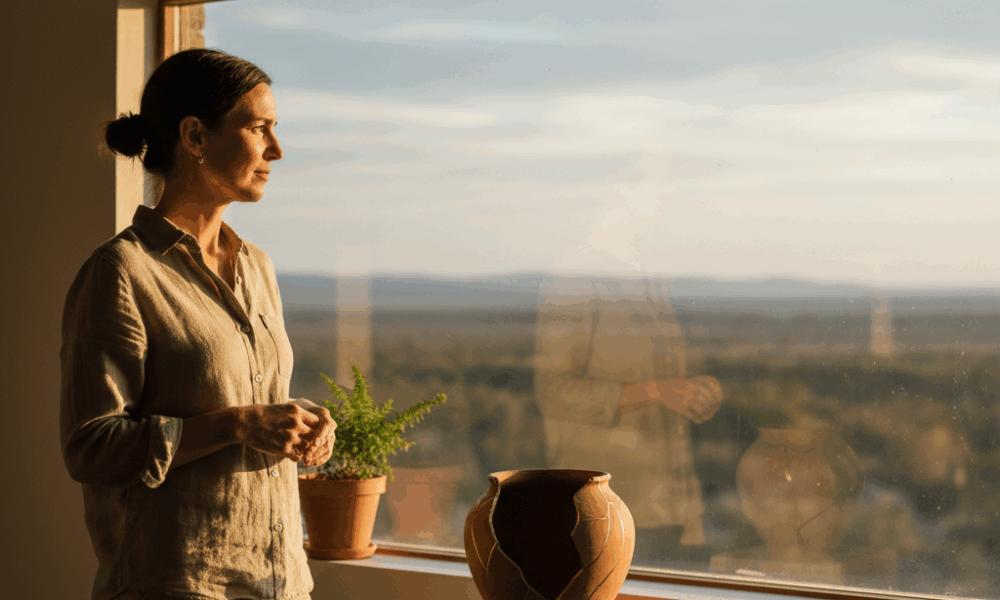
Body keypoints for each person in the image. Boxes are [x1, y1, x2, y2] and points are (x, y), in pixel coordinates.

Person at [60, 49, 336, 600]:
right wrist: (240, 424)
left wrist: (296, 422)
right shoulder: (121, 271)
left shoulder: (257, 266)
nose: (276, 150)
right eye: (258, 128)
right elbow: (92, 447)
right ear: (194, 136)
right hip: (179, 584)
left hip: (279, 581)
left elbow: (236, 396)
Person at [534, 253, 723, 564]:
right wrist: (655, 391)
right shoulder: (575, 281)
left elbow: (655, 376)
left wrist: (695, 389)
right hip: (608, 512)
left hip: (670, 510)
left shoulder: (650, 280)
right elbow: (553, 392)